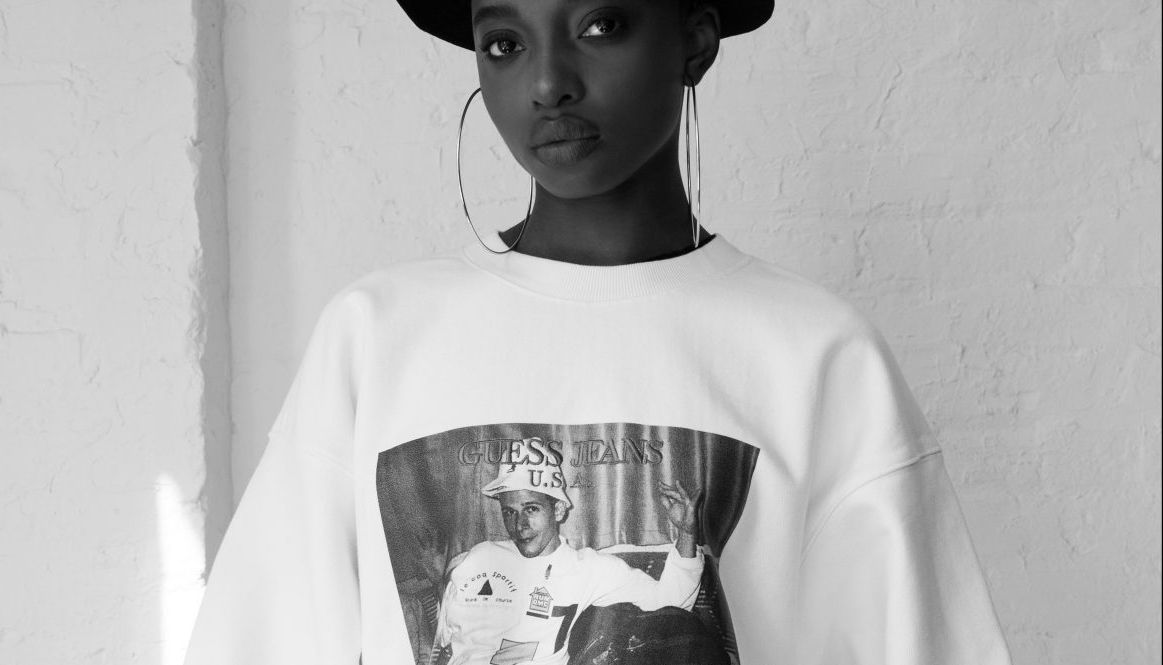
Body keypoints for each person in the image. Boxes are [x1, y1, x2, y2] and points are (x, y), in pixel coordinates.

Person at [183, 0, 1014, 663]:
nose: (548, 81)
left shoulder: (817, 356)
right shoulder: (376, 339)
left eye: (600, 24)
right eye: (504, 42)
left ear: (695, 39)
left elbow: (692, 600)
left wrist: (684, 539)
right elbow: (260, 639)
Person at [434, 457, 705, 665]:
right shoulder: (477, 558)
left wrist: (687, 533)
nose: (520, 525)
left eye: (531, 509)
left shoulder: (588, 569)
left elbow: (671, 602)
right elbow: (441, 640)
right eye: (509, 512)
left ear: (559, 510)